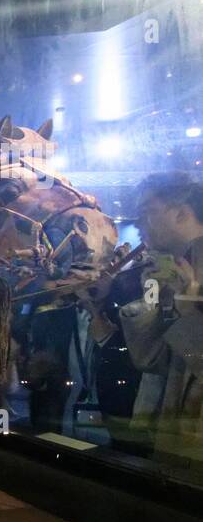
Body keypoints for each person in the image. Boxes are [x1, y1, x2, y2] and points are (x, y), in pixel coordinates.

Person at [103, 172, 203, 472]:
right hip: (173, 438)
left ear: (182, 213)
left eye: (147, 212)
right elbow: (153, 360)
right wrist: (150, 302)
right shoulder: (175, 268)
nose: (138, 223)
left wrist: (187, 309)